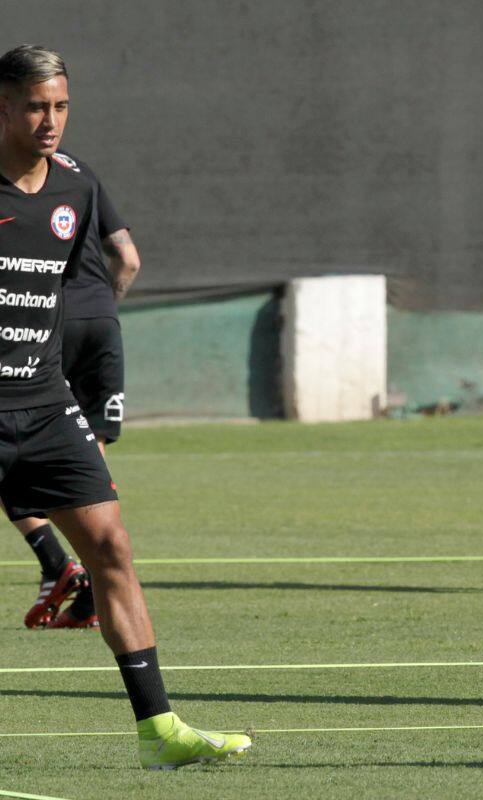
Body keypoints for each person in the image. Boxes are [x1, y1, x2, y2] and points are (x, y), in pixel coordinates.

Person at [0, 44, 250, 769]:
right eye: (36, 107)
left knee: (111, 546)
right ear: (5, 107)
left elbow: (82, 297)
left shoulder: (75, 189)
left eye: (62, 106)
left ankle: (160, 731)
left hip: (43, 403)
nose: (51, 122)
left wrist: (83, 384)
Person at [17, 147, 141, 629]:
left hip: (47, 326)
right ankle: (97, 582)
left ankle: (55, 562)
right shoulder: (81, 170)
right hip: (103, 323)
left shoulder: (19, 176)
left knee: (20, 441)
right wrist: (103, 310)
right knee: (89, 462)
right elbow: (128, 259)